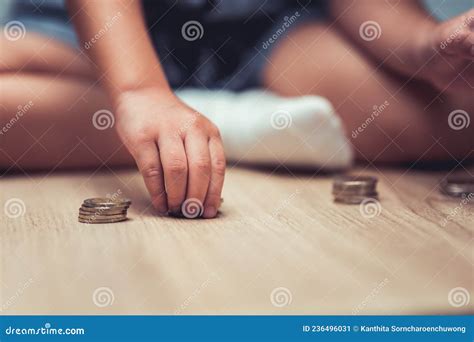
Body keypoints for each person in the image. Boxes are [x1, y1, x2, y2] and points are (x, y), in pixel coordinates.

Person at [1, 0, 473, 218]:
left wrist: (423, 47)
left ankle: (196, 124)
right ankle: (230, 124)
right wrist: (139, 91)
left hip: (263, 26)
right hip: (99, 32)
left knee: (457, 114)